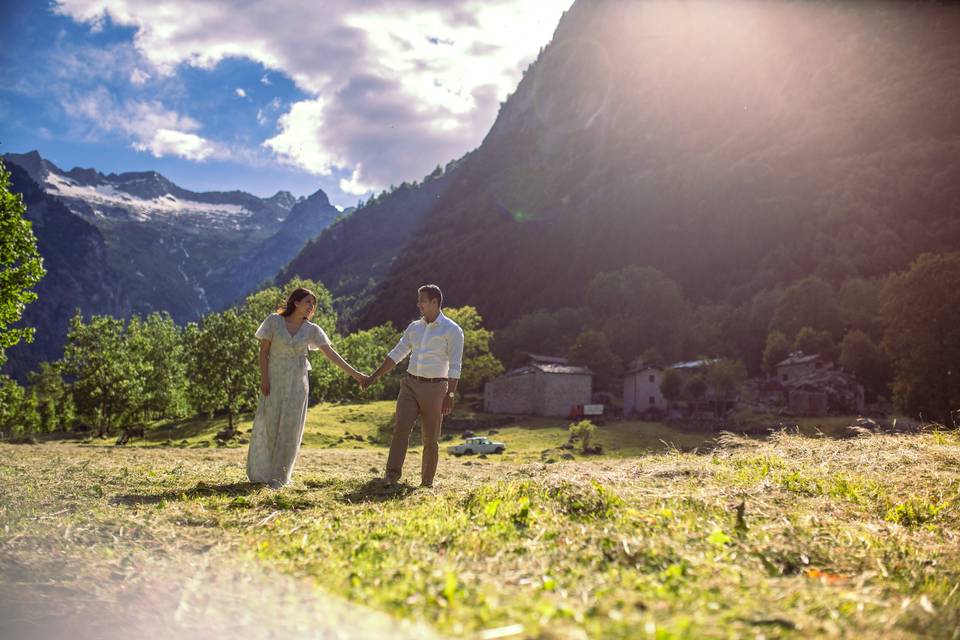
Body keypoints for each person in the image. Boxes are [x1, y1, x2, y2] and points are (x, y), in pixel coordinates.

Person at [247, 287, 366, 488]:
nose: (311, 306)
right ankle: (262, 473)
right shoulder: (273, 322)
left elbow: (331, 354)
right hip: (274, 382)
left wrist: (358, 375)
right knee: (270, 426)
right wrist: (264, 379)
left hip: (297, 386)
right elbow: (263, 352)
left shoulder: (312, 330)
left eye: (313, 303)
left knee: (290, 429)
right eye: (308, 302)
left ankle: (280, 477)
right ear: (296, 302)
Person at [364, 284, 464, 488]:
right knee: (400, 429)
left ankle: (426, 483)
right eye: (419, 300)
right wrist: (373, 376)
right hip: (410, 384)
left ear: (435, 302)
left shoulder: (453, 330)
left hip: (436, 389)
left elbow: (455, 366)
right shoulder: (414, 327)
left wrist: (450, 395)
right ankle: (391, 475)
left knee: (430, 439)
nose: (418, 304)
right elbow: (397, 354)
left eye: (422, 301)